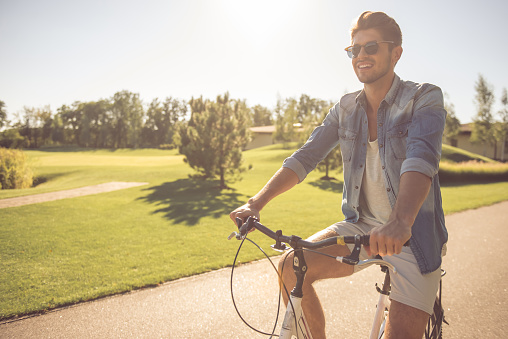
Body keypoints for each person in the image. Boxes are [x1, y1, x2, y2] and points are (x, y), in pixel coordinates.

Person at [230, 11, 447, 339]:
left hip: (412, 235)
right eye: (354, 50)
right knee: (291, 266)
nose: (361, 56)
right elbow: (306, 156)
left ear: (396, 52)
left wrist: (400, 221)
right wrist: (256, 203)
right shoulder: (345, 109)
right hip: (360, 225)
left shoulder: (424, 98)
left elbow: (420, 159)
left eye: (371, 47)